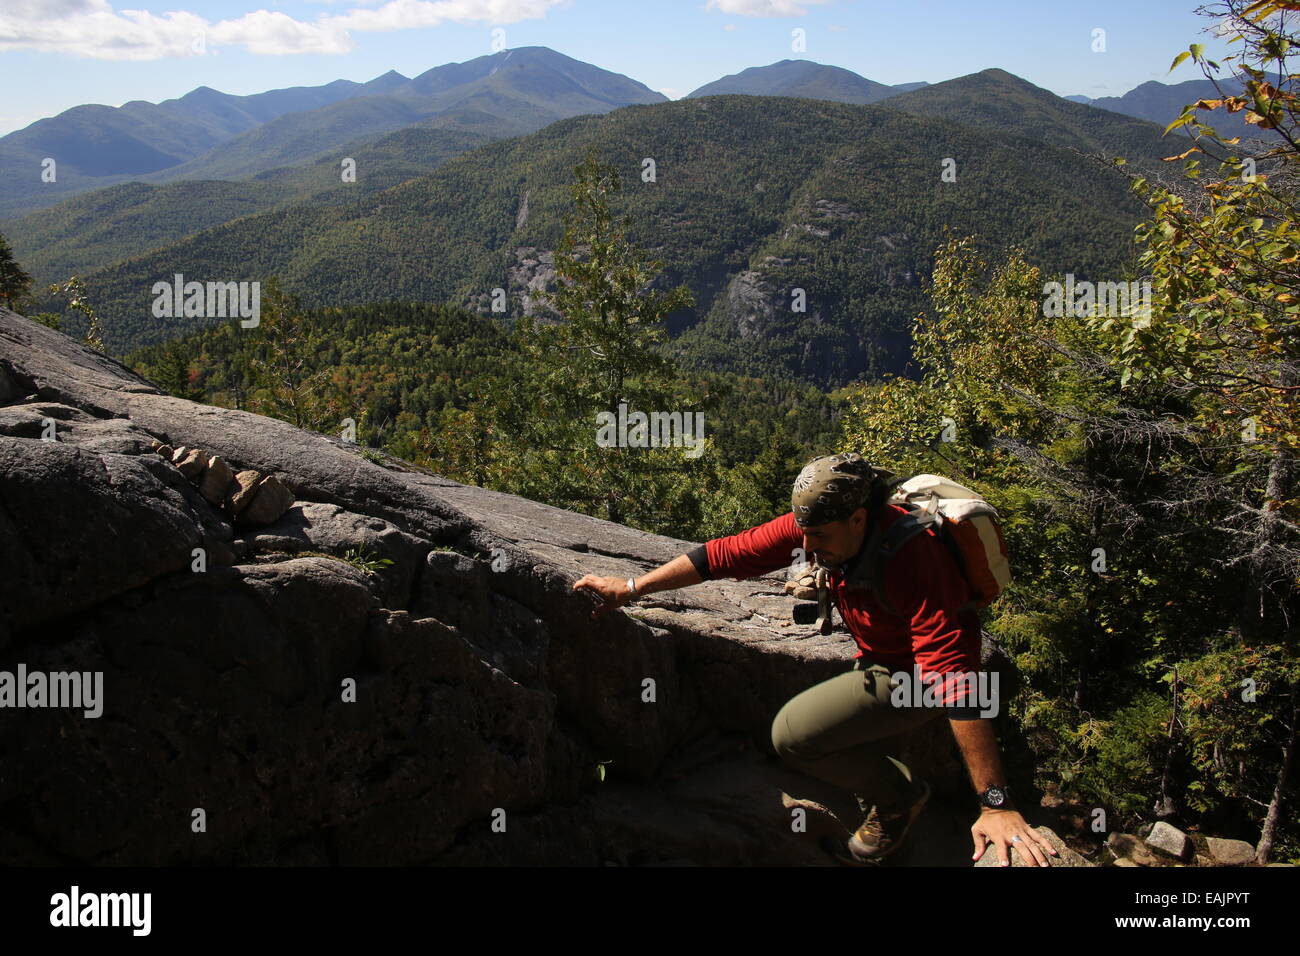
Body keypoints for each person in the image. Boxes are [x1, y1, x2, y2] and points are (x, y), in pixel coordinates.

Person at [571, 452, 1057, 867]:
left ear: (860, 518)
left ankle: (898, 800)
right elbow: (724, 555)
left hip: (916, 676)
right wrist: (631, 588)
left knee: (793, 737)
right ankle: (898, 797)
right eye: (804, 533)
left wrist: (995, 805)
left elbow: (955, 682)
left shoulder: (914, 559)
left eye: (819, 537)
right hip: (886, 656)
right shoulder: (824, 523)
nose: (806, 548)